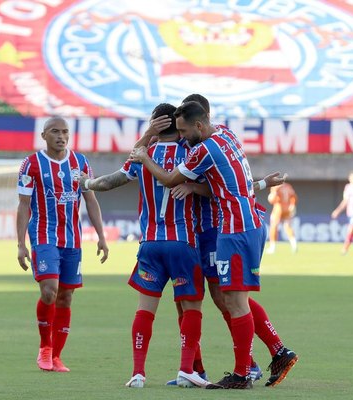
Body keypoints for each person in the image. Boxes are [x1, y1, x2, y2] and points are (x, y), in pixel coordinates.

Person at [129, 101, 297, 389]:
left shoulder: (199, 150)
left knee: (226, 299)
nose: (181, 137)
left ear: (199, 123)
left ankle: (249, 367)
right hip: (234, 226)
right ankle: (216, 367)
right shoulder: (226, 134)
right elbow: (234, 181)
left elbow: (170, 178)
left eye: (185, 131)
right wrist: (260, 184)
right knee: (222, 299)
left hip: (220, 230)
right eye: (177, 130)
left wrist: (146, 154)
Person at [80, 103, 209, 389]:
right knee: (192, 307)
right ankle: (187, 369)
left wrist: (85, 182)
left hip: (150, 243)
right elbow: (215, 186)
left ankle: (138, 373)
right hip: (183, 242)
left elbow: (108, 183)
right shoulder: (192, 153)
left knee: (145, 309)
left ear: (156, 124)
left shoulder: (142, 155)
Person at [16, 116, 109, 373]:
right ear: (44, 135)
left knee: (66, 297)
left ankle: (56, 356)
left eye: (65, 132)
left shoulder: (80, 163)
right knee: (49, 291)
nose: (61, 136)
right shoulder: (31, 164)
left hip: (72, 239)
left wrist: (101, 235)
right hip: (44, 236)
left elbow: (90, 200)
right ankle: (45, 348)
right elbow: (23, 206)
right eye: (55, 131)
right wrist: (20, 244)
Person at [267, 182, 298, 254]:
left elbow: (272, 199)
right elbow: (294, 196)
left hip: (278, 208)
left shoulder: (276, 187)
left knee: (274, 226)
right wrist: (292, 205)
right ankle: (294, 245)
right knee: (288, 226)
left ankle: (272, 248)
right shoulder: (288, 186)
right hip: (287, 208)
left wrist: (271, 196)